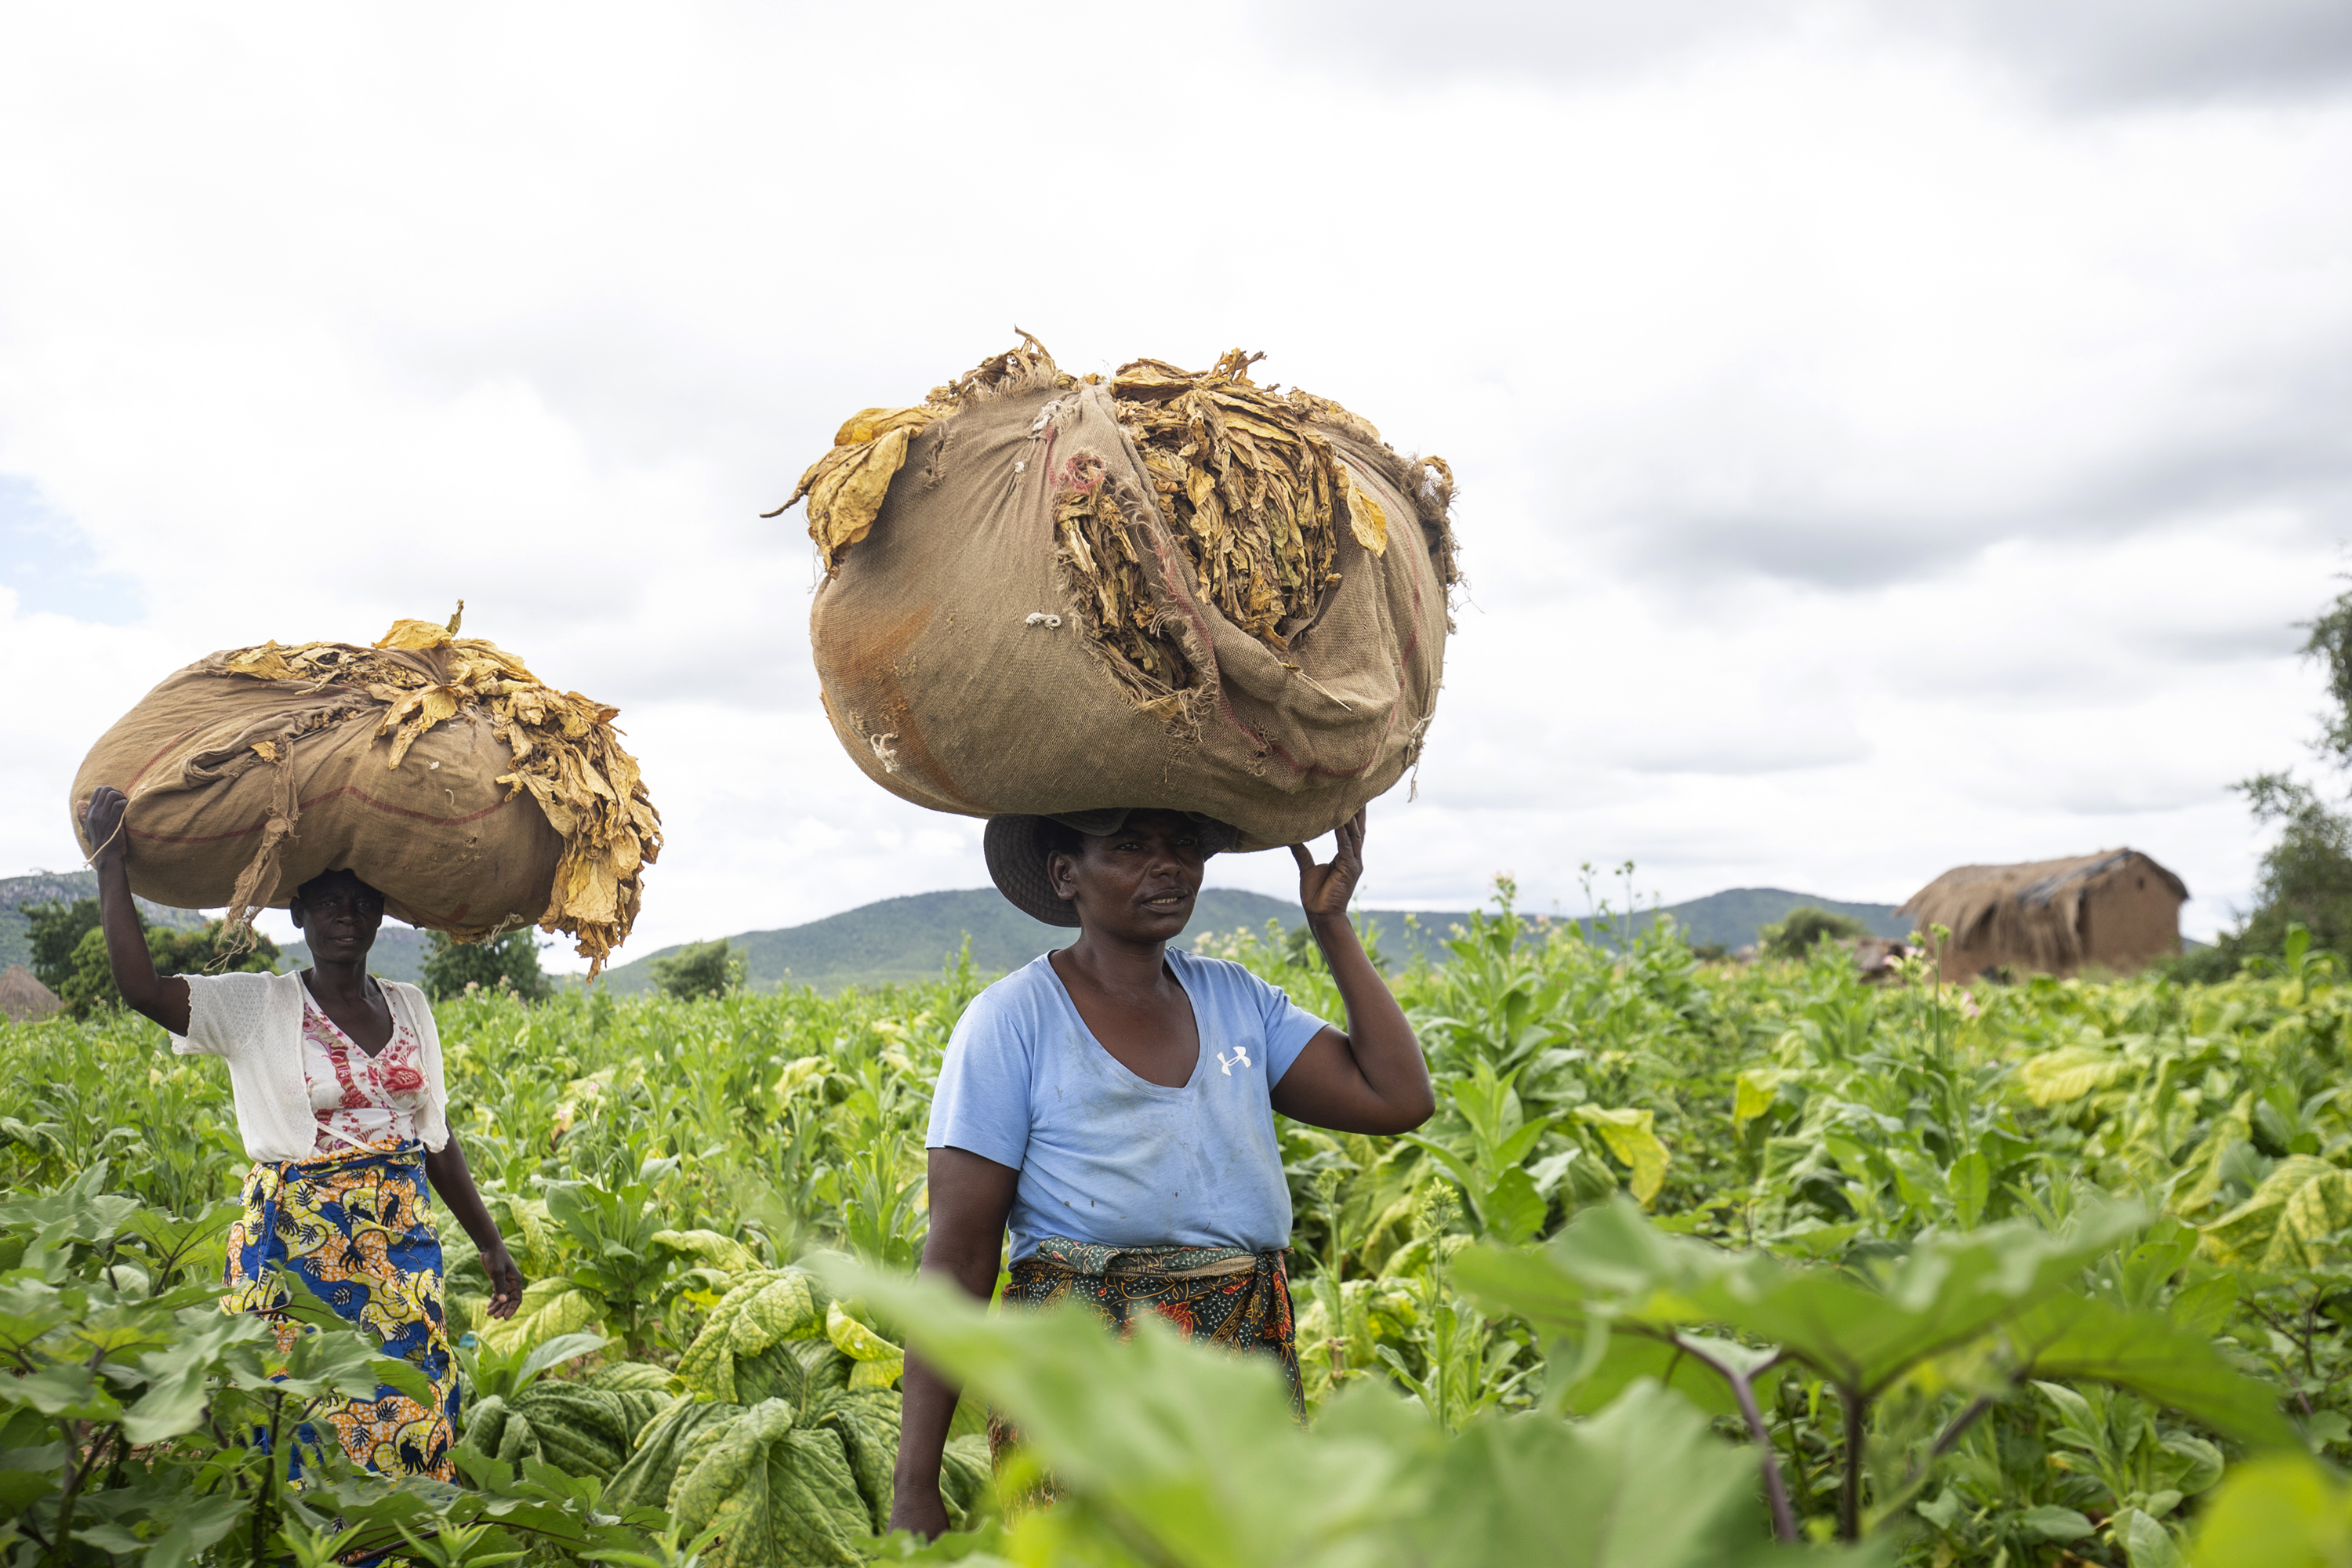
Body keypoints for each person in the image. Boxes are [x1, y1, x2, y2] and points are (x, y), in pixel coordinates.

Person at [890, 806, 1433, 1535]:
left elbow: (1397, 1096)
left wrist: (1330, 922)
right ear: (1065, 874)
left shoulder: (1237, 1004)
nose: (1169, 865)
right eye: (1130, 847)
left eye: (1184, 845)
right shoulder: (1012, 1022)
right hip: (1083, 1383)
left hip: (1239, 1373)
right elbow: (956, 1258)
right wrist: (914, 1484)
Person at [78, 784, 524, 1482]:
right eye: (327, 904)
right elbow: (144, 990)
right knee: (304, 1411)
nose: (346, 917)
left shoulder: (409, 1006)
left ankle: (395, 1547)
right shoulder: (259, 1004)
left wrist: (491, 1244)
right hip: (299, 1248)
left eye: (360, 904)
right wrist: (111, 865)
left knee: (410, 1399)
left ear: (379, 916)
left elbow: (434, 1135)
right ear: (299, 916)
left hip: (399, 1246)